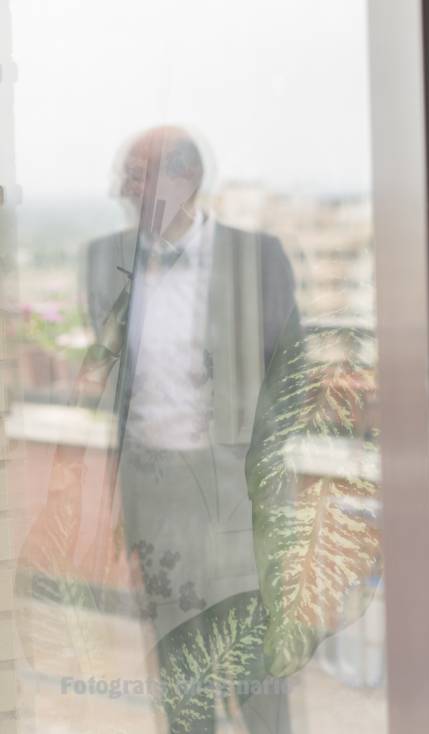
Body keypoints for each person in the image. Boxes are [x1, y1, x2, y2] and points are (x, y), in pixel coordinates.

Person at [84, 125, 299, 732]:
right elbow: (105, 381)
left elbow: (290, 374)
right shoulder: (104, 261)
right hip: (155, 497)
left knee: (255, 670)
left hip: (238, 496)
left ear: (186, 181)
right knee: (179, 675)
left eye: (134, 175)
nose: (119, 188)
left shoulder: (259, 257)